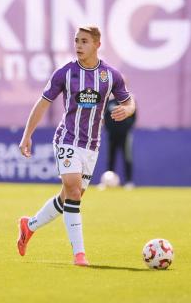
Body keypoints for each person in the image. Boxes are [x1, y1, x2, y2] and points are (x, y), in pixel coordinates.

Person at [17, 26, 135, 266]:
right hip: (67, 139)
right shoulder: (65, 73)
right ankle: (79, 254)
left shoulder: (110, 75)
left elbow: (128, 99)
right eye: (76, 41)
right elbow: (42, 103)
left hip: (91, 146)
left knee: (70, 197)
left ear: (97, 44)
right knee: (72, 190)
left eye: (84, 41)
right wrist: (27, 134)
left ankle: (28, 226)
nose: (78, 45)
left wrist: (129, 109)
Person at [104, 99, 137, 188]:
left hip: (125, 135)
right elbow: (105, 117)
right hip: (112, 134)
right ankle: (107, 180)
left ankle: (128, 181)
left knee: (127, 157)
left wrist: (125, 129)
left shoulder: (129, 102)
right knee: (111, 157)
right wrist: (109, 129)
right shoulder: (110, 102)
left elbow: (133, 117)